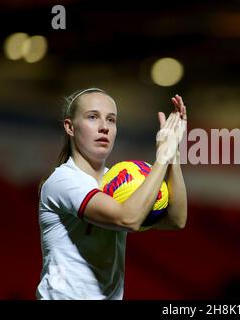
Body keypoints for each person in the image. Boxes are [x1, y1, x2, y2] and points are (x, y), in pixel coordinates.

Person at [36, 88, 188, 300]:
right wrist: (162, 157)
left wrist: (174, 155)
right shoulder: (64, 181)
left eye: (111, 120)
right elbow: (128, 219)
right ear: (70, 127)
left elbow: (176, 220)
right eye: (92, 117)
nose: (104, 127)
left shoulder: (119, 183)